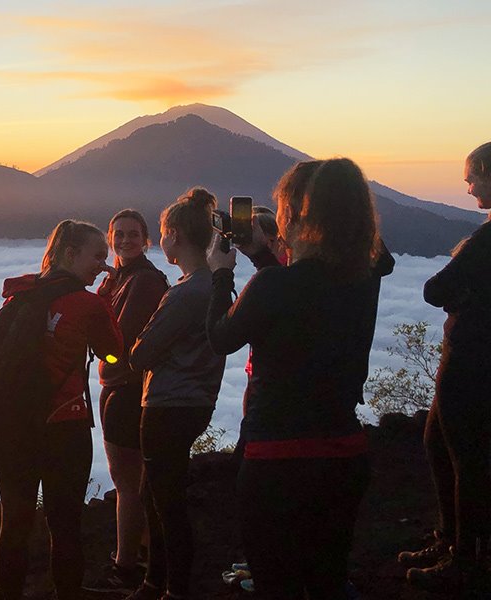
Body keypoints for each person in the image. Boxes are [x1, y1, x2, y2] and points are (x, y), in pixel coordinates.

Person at [206, 159, 394, 599]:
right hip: (344, 454)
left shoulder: (274, 287)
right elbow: (307, 289)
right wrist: (259, 254)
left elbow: (220, 338)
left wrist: (220, 274)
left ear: (298, 214)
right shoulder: (365, 280)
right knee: (326, 578)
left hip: (276, 461)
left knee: (278, 583)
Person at [0, 220, 123, 600]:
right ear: (69, 254)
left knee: (14, 522)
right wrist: (104, 308)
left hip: (12, 427)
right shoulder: (88, 304)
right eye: (97, 256)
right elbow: (113, 353)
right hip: (64, 424)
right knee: (64, 524)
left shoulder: (21, 294)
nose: (102, 265)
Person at [122, 189, 227, 600]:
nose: (160, 242)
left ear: (176, 235)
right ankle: (160, 584)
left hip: (168, 404)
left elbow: (141, 353)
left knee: (164, 503)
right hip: (197, 400)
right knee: (160, 496)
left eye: (163, 233)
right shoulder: (213, 285)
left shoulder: (186, 292)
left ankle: (171, 587)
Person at [405, 141, 491, 593]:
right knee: (439, 445)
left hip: (471, 365)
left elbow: (435, 290)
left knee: (464, 459)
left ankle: (467, 558)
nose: (467, 184)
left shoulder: (485, 239)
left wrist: (459, 295)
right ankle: (452, 540)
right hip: (471, 361)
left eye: (472, 177)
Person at [90, 209, 168, 593]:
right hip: (121, 390)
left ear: (147, 238)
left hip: (128, 392)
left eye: (133, 234)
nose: (125, 240)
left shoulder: (145, 282)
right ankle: (147, 560)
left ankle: (127, 567)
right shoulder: (121, 280)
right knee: (135, 483)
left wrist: (104, 359)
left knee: (128, 484)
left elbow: (118, 345)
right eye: (118, 234)